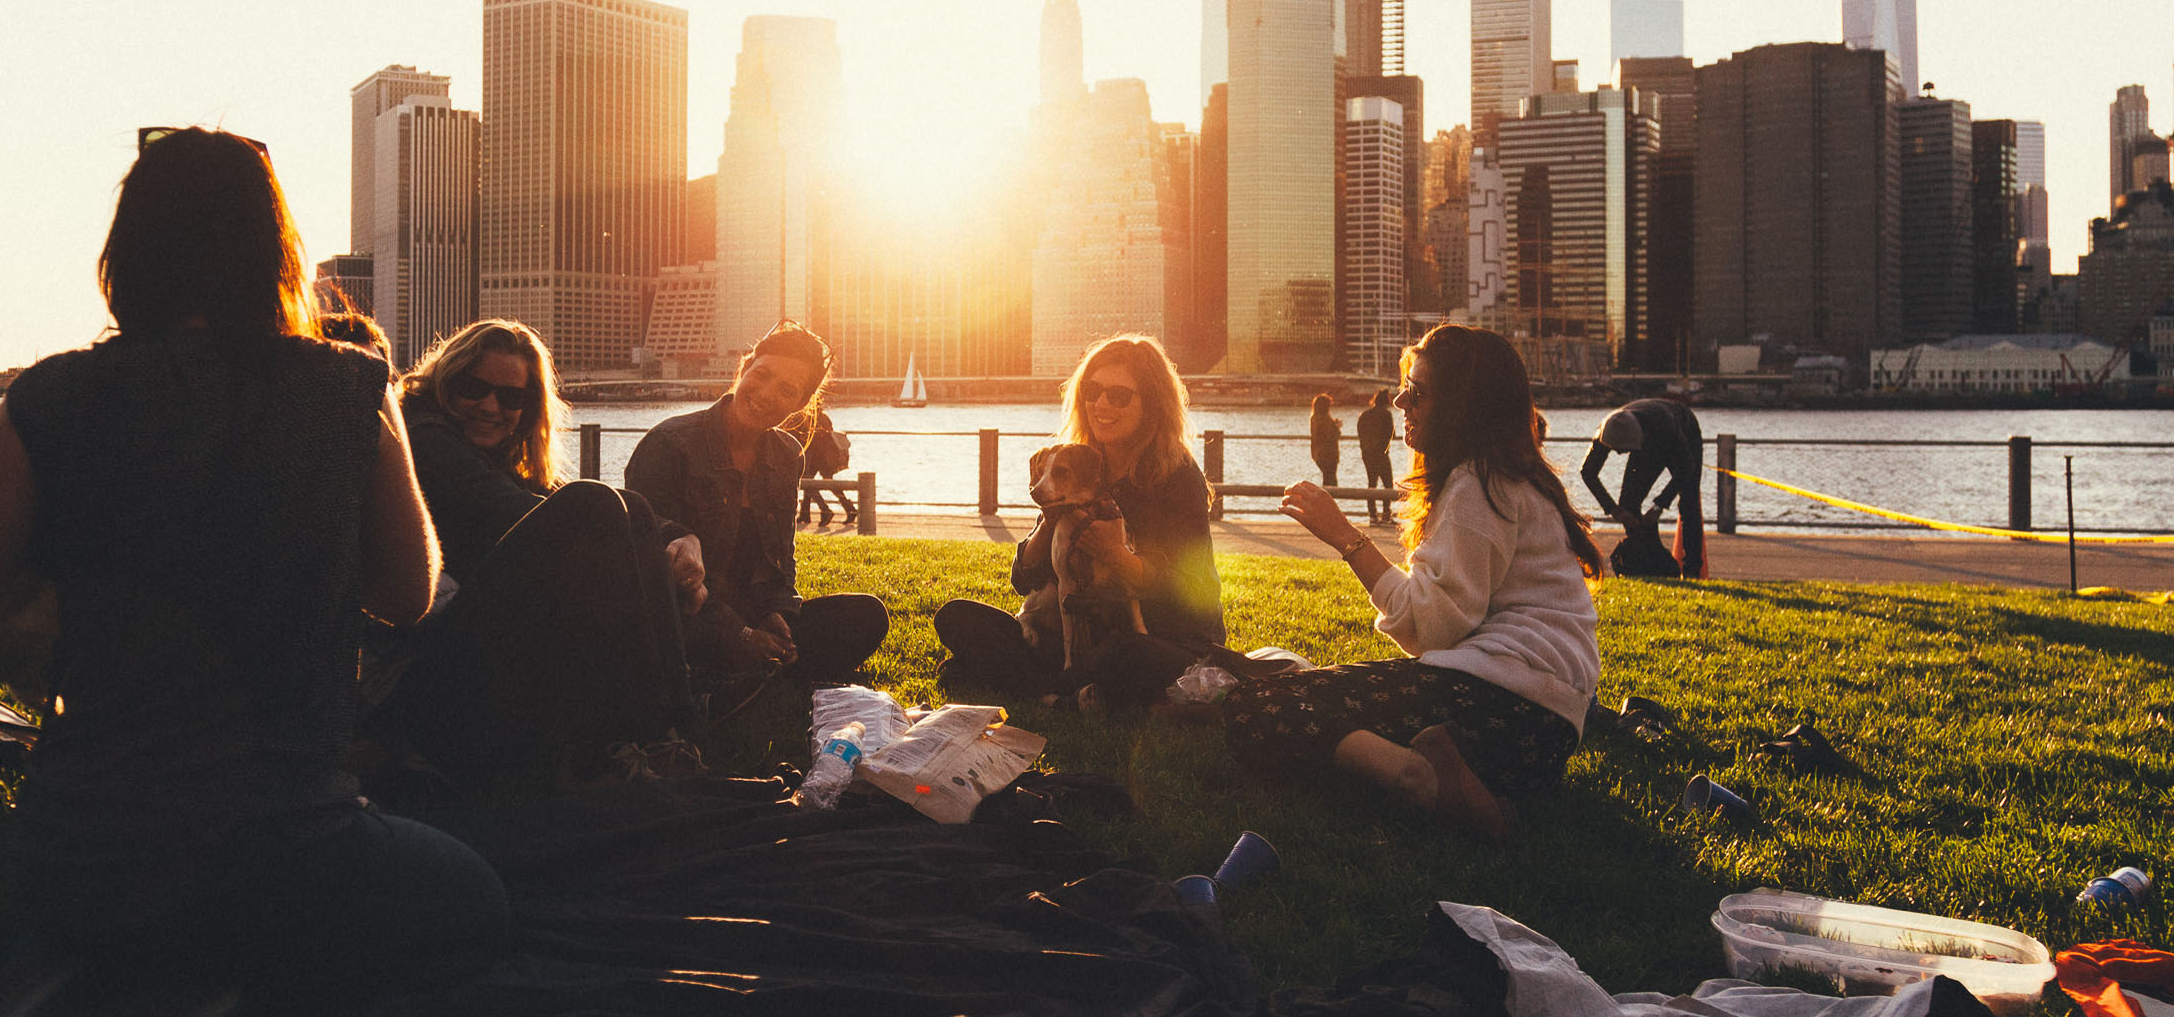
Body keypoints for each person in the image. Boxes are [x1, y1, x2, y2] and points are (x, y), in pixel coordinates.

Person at [0, 127, 504, 1001]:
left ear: (126, 252)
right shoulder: (351, 386)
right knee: (471, 899)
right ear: (276, 252)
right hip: (288, 849)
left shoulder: (54, 396)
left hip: (85, 859)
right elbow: (407, 595)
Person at [1224, 324, 1605, 841]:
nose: (1401, 400)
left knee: (1260, 706)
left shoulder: (1476, 484)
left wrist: (1344, 537)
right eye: (1405, 384)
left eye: (1418, 392)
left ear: (1463, 406)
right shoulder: (1513, 478)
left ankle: (1419, 780)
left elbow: (1431, 628)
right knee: (1308, 693)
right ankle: (1457, 782)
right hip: (1545, 732)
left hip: (1499, 705)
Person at [372, 318, 705, 796]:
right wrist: (639, 550)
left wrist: (681, 540)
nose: (491, 407)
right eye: (474, 389)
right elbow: (531, 513)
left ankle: (662, 733)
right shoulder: (425, 438)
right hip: (422, 677)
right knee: (596, 507)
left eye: (511, 398)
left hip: (470, 653)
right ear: (447, 382)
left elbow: (564, 499)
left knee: (629, 506)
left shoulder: (492, 454)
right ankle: (651, 732)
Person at [933, 334, 1228, 710]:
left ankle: (1039, 686)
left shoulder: (1176, 475)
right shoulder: (1075, 463)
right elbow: (1024, 580)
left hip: (1160, 637)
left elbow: (1191, 588)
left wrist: (1117, 557)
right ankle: (1071, 690)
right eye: (1092, 390)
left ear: (1152, 404)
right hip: (1080, 634)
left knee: (1125, 653)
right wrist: (1049, 523)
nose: (1101, 404)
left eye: (1119, 395)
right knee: (956, 616)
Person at [623, 322, 887, 696]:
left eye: (787, 391)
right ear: (744, 367)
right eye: (761, 375)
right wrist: (741, 634)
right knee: (664, 630)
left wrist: (776, 614)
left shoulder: (786, 454)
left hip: (747, 613)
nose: (765, 395)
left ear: (800, 405)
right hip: (682, 613)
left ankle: (751, 672)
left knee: (866, 615)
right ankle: (738, 674)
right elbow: (650, 567)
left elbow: (780, 560)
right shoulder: (670, 443)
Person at [1580, 398, 1706, 579]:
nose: (1619, 454)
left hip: (1683, 429)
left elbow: (1687, 469)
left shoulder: (1665, 428)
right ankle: (1646, 559)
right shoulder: (1605, 431)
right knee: (1628, 504)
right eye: (1615, 449)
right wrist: (1614, 510)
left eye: (1624, 450)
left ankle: (1692, 570)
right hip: (1645, 436)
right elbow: (1588, 472)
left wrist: (1658, 506)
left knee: (1689, 500)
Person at [798, 406, 855, 527]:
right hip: (825, 456)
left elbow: (807, 437)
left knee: (808, 483)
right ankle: (849, 508)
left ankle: (825, 510)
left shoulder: (809, 418)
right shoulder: (823, 417)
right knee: (821, 483)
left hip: (816, 455)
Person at [1357, 389, 1396, 526]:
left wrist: (1365, 448)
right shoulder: (1386, 414)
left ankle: (1372, 515)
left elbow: (1360, 432)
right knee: (1388, 485)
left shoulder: (1365, 414)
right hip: (1381, 453)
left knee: (1371, 483)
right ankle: (1386, 515)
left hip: (1367, 454)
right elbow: (1391, 433)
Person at [1308, 393, 1342, 488]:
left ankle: (1324, 500)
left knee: (1326, 478)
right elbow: (1331, 436)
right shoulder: (1325, 419)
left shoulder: (1314, 418)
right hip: (1329, 454)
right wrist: (1337, 427)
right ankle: (1328, 501)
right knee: (1331, 481)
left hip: (1318, 453)